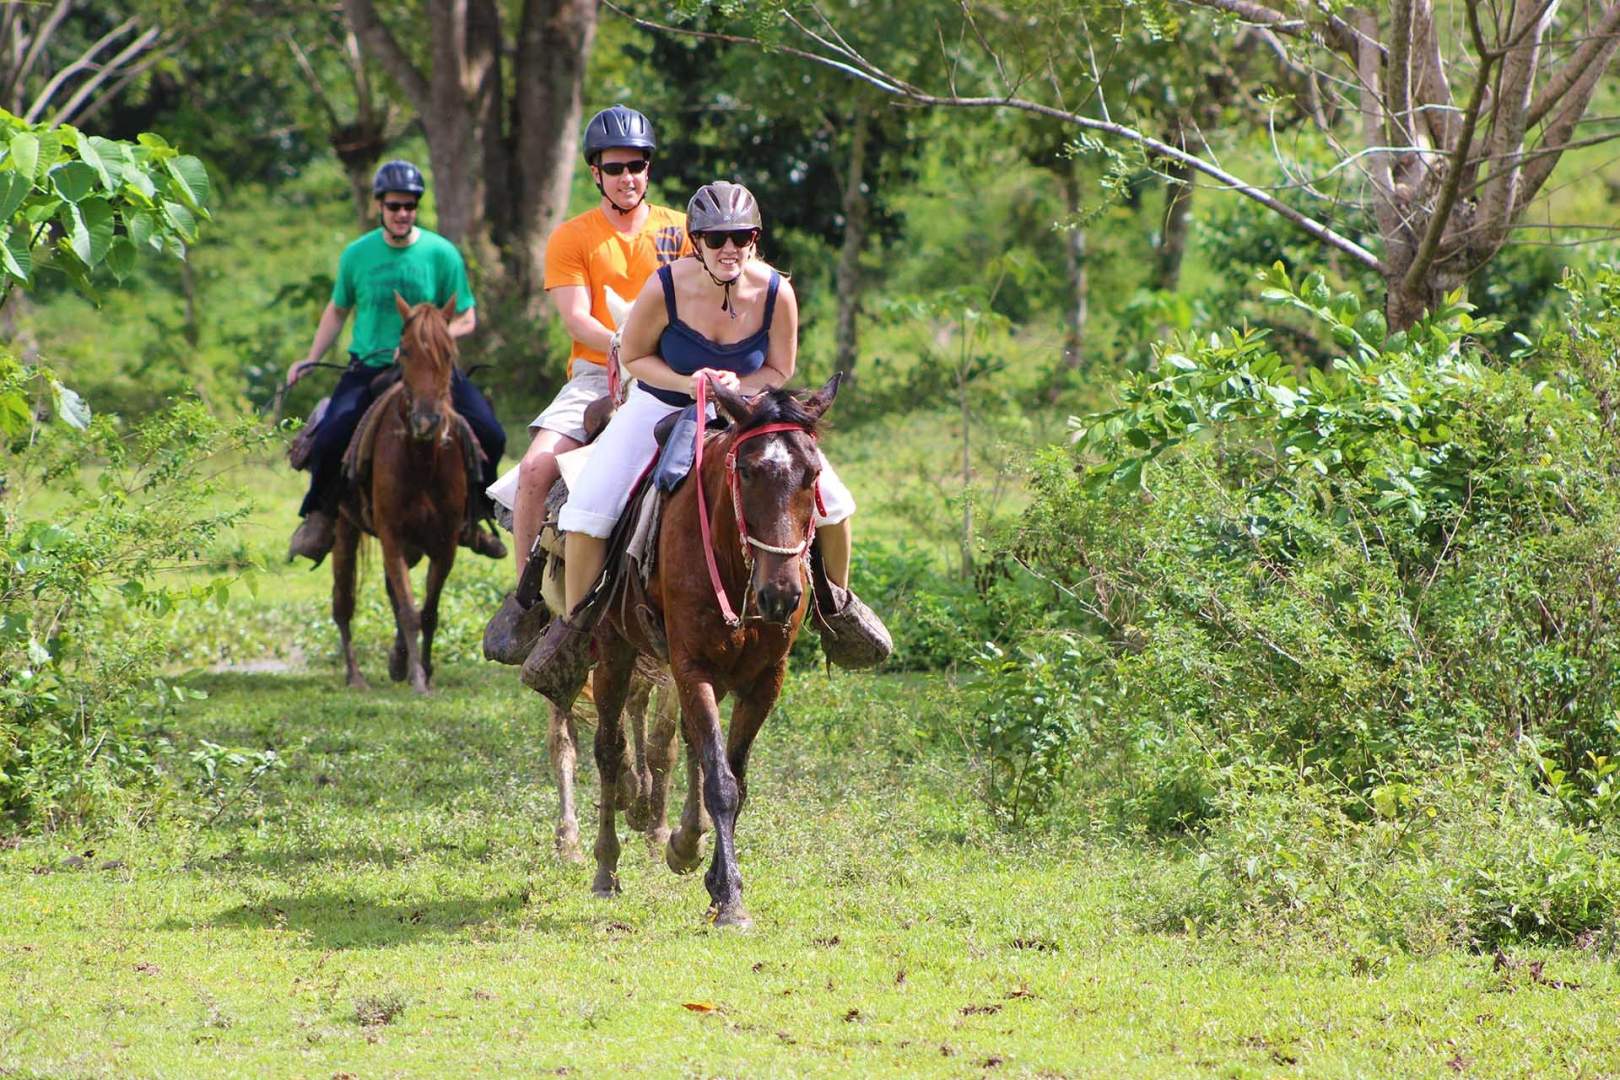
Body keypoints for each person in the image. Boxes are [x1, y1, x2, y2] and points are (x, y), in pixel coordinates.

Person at [521, 180, 890, 709]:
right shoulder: (666, 285)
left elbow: (780, 367)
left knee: (836, 501)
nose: (729, 249)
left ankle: (836, 607)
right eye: (716, 238)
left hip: (748, 406)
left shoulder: (775, 291)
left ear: (755, 239)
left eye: (741, 237)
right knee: (587, 511)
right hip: (661, 399)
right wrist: (690, 383)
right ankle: (579, 633)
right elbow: (634, 357)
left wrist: (738, 391)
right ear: (696, 240)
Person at [482, 104, 689, 662]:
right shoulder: (573, 237)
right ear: (596, 171)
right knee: (534, 467)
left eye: (638, 166)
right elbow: (576, 320)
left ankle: (814, 591)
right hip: (599, 371)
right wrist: (623, 347)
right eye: (616, 167)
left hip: (675, 371)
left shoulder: (681, 230)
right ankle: (527, 599)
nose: (629, 177)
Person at [285, 159, 507, 563]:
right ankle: (319, 515)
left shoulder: (442, 253)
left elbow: (467, 317)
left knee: (491, 432)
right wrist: (310, 359)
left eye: (409, 206)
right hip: (370, 364)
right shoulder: (357, 254)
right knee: (333, 432)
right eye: (394, 206)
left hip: (431, 367)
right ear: (380, 207)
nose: (402, 213)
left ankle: (475, 514)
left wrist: (430, 341)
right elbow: (337, 311)